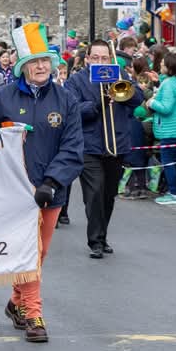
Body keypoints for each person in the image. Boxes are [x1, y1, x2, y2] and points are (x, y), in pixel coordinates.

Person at [0, 23, 83, 342]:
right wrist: (0, 136)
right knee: (30, 252)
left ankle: (16, 301)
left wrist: (51, 181)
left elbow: (73, 146)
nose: (41, 66)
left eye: (45, 60)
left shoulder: (66, 100)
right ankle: (34, 315)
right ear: (23, 66)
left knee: (41, 251)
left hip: (50, 191)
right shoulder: (3, 96)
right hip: (14, 191)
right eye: (34, 62)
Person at [64, 39, 142, 259]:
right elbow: (73, 111)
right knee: (94, 192)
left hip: (116, 144)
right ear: (87, 59)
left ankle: (102, 235)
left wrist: (120, 83)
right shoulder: (76, 80)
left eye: (104, 58)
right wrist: (99, 101)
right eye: (95, 58)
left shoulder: (121, 75)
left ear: (110, 59)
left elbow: (137, 100)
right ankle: (95, 241)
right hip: (89, 146)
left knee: (108, 194)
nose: (100, 62)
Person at [146, 52, 176, 205]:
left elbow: (166, 108)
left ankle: (174, 193)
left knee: (169, 162)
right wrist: (158, 82)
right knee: (175, 161)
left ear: (169, 67)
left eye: (163, 64)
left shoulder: (170, 84)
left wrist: (151, 103)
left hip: (170, 129)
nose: (160, 65)